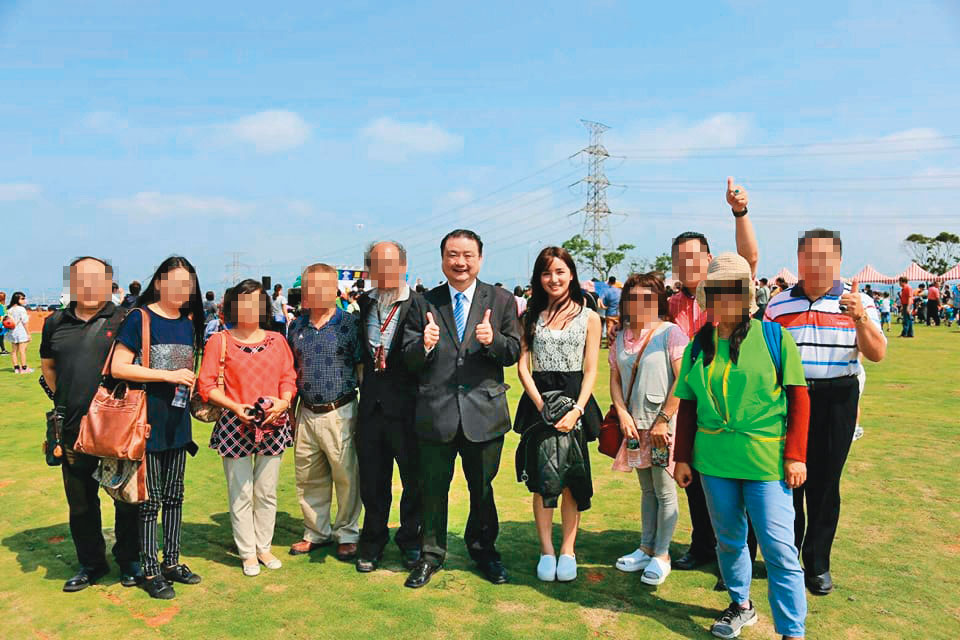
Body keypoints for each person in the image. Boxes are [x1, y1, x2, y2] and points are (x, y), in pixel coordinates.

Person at [675, 252, 810, 640]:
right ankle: (740, 604)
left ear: (746, 294)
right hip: (714, 461)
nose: (726, 298)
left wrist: (796, 455)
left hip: (765, 461)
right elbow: (688, 405)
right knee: (730, 540)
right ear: (710, 296)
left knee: (779, 548)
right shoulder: (698, 346)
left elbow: (799, 399)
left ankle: (792, 630)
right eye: (718, 290)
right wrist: (683, 457)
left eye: (734, 289)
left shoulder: (773, 336)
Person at [765, 228, 886, 596]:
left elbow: (877, 353)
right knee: (786, 481)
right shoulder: (778, 304)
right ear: (799, 260)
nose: (816, 265)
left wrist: (860, 319)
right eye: (809, 257)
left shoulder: (858, 302)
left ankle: (817, 564)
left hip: (837, 398)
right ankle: (786, 558)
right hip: (789, 398)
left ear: (838, 262)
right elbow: (769, 358)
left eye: (825, 258)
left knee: (825, 484)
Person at [401, 229, 522, 589]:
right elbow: (406, 359)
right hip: (435, 413)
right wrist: (422, 345)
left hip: (483, 414)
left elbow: (514, 352)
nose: (460, 262)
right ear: (442, 259)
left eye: (468, 255)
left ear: (480, 259)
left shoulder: (500, 300)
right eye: (453, 254)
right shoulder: (423, 302)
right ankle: (430, 555)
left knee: (481, 488)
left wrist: (493, 342)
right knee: (432, 489)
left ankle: (484, 550)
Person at [667, 178, 760, 589]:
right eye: (679, 259)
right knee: (695, 480)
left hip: (733, 405)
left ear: (707, 259)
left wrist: (739, 212)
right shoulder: (670, 303)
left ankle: (736, 560)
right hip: (692, 403)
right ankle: (703, 544)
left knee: (736, 489)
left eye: (694, 258)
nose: (687, 266)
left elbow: (750, 257)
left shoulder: (727, 293)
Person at [39, 256, 142, 592]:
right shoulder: (55, 322)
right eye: (80, 278)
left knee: (127, 499)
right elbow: (49, 368)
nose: (87, 284)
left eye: (95, 278)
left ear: (110, 282)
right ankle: (91, 564)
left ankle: (129, 561)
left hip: (117, 428)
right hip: (71, 427)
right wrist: (70, 401)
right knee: (81, 502)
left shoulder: (127, 318)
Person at [111, 256, 206, 600]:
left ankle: (172, 562)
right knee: (149, 501)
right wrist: (167, 375)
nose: (184, 290)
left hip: (178, 423)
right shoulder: (140, 318)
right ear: (161, 282)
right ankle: (150, 569)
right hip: (144, 423)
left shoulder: (187, 322)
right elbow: (118, 366)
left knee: (175, 497)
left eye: (189, 284)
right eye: (178, 282)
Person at [514, 247, 602, 583]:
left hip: (575, 400)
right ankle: (546, 550)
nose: (554, 279)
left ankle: (568, 549)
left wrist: (577, 409)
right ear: (539, 278)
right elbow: (523, 367)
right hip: (539, 402)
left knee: (571, 478)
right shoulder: (529, 318)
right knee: (542, 479)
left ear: (572, 274)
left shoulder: (589, 316)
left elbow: (592, 368)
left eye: (560, 272)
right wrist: (541, 405)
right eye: (547, 273)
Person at [198, 279, 297, 577]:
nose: (250, 308)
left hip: (273, 422)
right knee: (241, 492)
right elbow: (206, 385)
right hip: (234, 423)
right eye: (243, 302)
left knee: (266, 492)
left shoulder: (277, 340)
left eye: (256, 302)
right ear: (233, 306)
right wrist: (233, 407)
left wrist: (284, 402)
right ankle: (246, 551)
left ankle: (263, 546)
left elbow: (287, 377)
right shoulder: (220, 340)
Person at [609, 272, 686, 586]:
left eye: (647, 298)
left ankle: (662, 554)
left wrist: (665, 419)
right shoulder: (620, 336)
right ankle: (645, 546)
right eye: (634, 298)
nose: (639, 304)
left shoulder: (671, 333)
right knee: (647, 489)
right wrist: (622, 413)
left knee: (665, 491)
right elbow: (615, 378)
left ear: (658, 301)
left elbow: (683, 380)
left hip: (662, 429)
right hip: (634, 428)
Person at [353, 241, 424, 573]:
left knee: (414, 482)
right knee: (373, 482)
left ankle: (411, 541)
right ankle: (373, 542)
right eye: (377, 265)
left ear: (404, 265)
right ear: (369, 270)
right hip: (370, 409)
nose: (385, 272)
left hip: (408, 410)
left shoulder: (420, 305)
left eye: (391, 264)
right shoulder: (364, 303)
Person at [286, 263, 363, 562]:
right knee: (309, 478)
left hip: (340, 410)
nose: (316, 292)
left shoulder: (349, 324)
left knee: (346, 476)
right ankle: (315, 532)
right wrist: (291, 414)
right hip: (306, 411)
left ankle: (347, 533)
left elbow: (360, 369)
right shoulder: (296, 326)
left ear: (335, 290)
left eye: (323, 286)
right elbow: (291, 372)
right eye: (310, 287)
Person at [7, 291, 32, 373]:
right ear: (17, 299)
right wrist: (28, 333)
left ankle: (16, 368)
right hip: (21, 331)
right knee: (22, 350)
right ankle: (24, 368)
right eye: (22, 298)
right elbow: (25, 322)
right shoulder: (21, 309)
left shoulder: (10, 309)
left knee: (14, 351)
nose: (24, 300)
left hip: (12, 332)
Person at [600, 275, 621, 340]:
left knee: (609, 329)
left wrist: (605, 306)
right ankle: (618, 343)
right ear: (615, 282)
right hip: (619, 313)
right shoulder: (620, 291)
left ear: (609, 282)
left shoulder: (606, 291)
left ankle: (610, 344)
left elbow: (602, 302)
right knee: (619, 329)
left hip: (609, 313)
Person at [0, 291, 9, 355]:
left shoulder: (2, 305)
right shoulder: (1, 306)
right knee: (1, 337)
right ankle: (3, 350)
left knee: (1, 337)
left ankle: (3, 350)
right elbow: (2, 316)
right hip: (1, 324)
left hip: (2, 323)